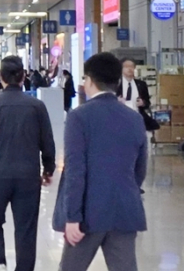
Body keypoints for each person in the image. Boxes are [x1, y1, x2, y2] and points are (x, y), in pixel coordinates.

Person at [54, 53, 148, 271]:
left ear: (89, 81)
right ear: (117, 82)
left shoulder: (79, 117)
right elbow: (140, 168)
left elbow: (76, 170)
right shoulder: (134, 118)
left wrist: (72, 216)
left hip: (88, 215)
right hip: (124, 210)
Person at [0, 56, 56, 271]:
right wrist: (48, 168)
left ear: (1, 78)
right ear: (23, 76)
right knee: (26, 227)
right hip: (28, 176)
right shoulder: (37, 106)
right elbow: (47, 141)